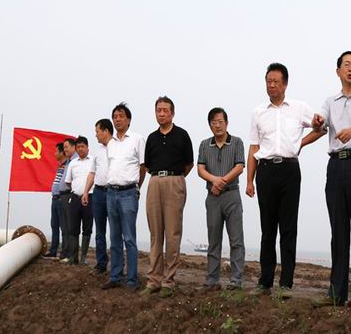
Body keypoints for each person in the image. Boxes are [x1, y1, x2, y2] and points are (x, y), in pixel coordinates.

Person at [305, 51, 351, 307]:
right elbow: (320, 124)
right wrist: (316, 122)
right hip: (336, 165)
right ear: (338, 71)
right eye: (346, 64)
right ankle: (336, 293)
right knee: (338, 231)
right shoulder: (330, 101)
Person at [246, 62, 317, 296]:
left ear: (285, 84)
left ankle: (286, 284)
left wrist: (300, 144)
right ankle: (265, 282)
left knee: (288, 228)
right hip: (265, 171)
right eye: (268, 81)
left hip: (289, 170)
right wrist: (249, 180)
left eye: (276, 81)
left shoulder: (299, 108)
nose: (272, 85)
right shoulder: (258, 112)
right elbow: (253, 147)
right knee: (267, 229)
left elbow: (321, 127)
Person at [141, 96, 194, 298]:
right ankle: (153, 280)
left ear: (172, 113)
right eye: (158, 110)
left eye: (165, 110)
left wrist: (175, 179)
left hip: (175, 181)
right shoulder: (151, 138)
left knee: (172, 233)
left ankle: (168, 281)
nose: (162, 113)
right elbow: (147, 165)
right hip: (154, 181)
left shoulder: (182, 135)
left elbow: (189, 164)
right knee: (155, 234)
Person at [197, 107, 246, 290]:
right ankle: (212, 280)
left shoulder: (237, 142)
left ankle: (236, 280)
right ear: (210, 125)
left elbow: (239, 166)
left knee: (236, 239)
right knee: (214, 240)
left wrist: (222, 181)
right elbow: (200, 169)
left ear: (227, 123)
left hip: (232, 195)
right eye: (213, 122)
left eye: (220, 121)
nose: (217, 125)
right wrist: (214, 181)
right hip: (212, 197)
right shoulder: (204, 144)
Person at [102, 102, 146, 291]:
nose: (117, 119)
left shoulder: (137, 139)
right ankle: (115, 276)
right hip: (111, 192)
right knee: (114, 237)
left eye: (121, 116)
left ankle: (132, 279)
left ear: (128, 119)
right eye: (115, 116)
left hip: (128, 193)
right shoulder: (110, 143)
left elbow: (143, 167)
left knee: (129, 238)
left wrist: (136, 187)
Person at [63, 135, 96, 265]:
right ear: (76, 149)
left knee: (87, 228)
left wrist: (86, 191)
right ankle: (74, 257)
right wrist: (77, 189)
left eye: (83, 146)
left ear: (88, 147)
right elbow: (68, 182)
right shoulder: (72, 163)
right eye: (78, 147)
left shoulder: (93, 161)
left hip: (90, 198)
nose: (81, 149)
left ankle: (84, 258)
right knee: (73, 228)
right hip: (75, 198)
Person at [93, 118, 113, 275]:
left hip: (113, 192)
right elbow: (92, 172)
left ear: (106, 131)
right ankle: (101, 263)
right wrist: (86, 191)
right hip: (98, 192)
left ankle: (118, 263)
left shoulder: (118, 146)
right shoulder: (97, 151)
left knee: (116, 230)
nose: (96, 134)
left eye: (97, 131)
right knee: (99, 231)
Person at [44, 143, 68, 258]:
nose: (55, 153)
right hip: (54, 198)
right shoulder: (60, 166)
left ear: (62, 152)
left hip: (61, 198)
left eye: (56, 151)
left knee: (63, 226)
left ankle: (64, 252)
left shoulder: (67, 165)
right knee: (54, 225)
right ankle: (53, 250)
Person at [58, 138, 78, 261]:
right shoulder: (69, 161)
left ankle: (71, 254)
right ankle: (65, 252)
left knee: (70, 226)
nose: (64, 149)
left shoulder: (75, 161)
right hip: (63, 195)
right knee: (64, 226)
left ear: (73, 147)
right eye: (64, 147)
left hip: (69, 195)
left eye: (66, 147)